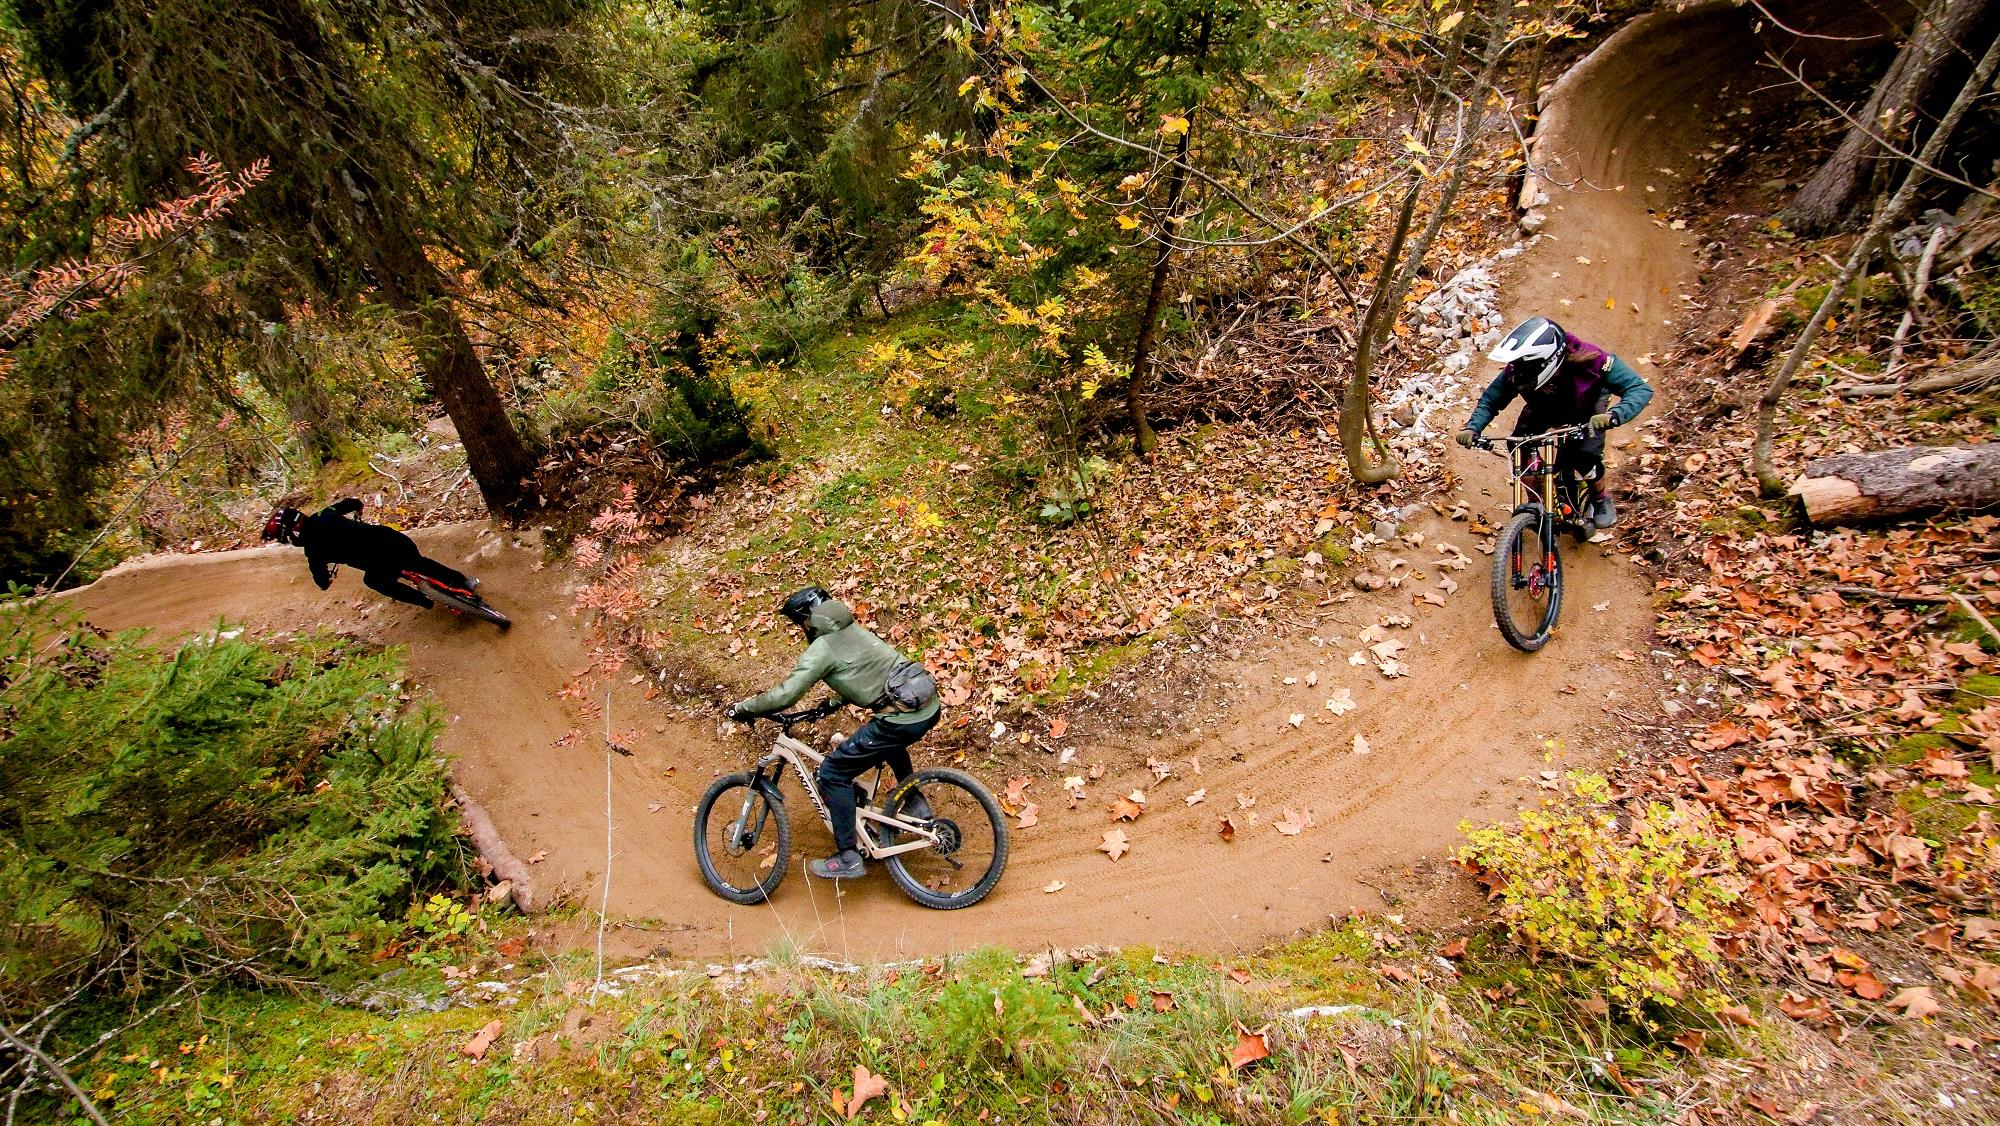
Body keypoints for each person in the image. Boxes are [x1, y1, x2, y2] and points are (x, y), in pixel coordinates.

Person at [727, 586, 941, 880]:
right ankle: (916, 802)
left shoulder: (823, 647)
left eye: (798, 622)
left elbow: (785, 695)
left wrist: (745, 708)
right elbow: (869, 672)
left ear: (806, 618)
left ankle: (848, 857)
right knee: (891, 743)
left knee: (832, 772)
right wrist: (829, 705)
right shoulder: (853, 630)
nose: (800, 629)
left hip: (901, 717)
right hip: (927, 705)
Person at [1455, 316, 1653, 529]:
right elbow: (1491, 399)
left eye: (1525, 366)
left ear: (1546, 360)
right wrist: (1473, 427)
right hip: (1545, 406)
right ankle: (1535, 502)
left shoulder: (1595, 360)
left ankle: (1600, 497)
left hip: (1588, 405)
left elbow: (1639, 389)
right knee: (1519, 444)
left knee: (1584, 454)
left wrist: (1614, 415)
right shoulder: (1517, 371)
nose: (1518, 371)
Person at [262, 498, 477, 608]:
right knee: (418, 562)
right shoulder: (325, 514)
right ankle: (465, 582)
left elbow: (322, 582)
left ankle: (424, 601)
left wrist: (327, 579)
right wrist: (357, 512)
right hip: (392, 540)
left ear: (292, 534)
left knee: (374, 581)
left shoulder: (313, 552)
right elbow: (354, 503)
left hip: (379, 566)